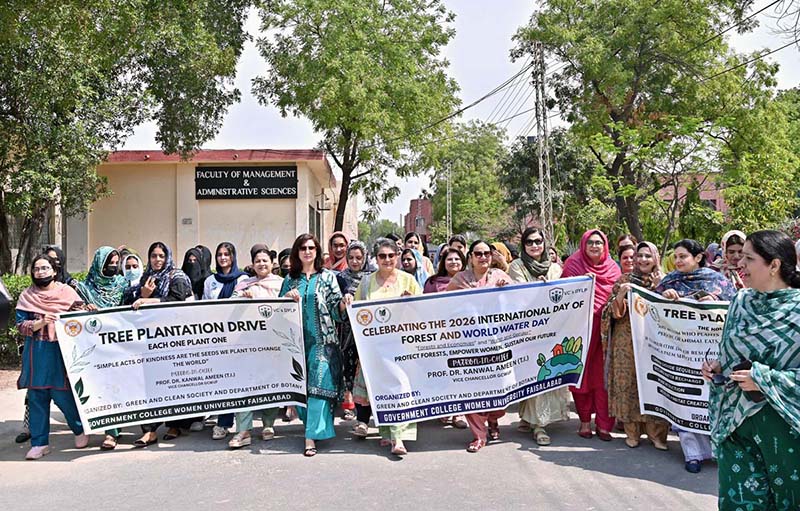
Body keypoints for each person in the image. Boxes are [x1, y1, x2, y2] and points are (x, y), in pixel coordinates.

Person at [703, 230, 800, 509]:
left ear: (774, 265)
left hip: (785, 429)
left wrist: (765, 379)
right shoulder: (740, 303)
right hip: (737, 425)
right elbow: (728, 355)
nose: (738, 264)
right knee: (741, 502)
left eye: (748, 258)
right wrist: (716, 368)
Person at [655, 238, 737, 473]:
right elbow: (652, 310)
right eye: (676, 257)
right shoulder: (669, 281)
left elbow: (734, 309)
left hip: (710, 353)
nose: (678, 261)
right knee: (682, 397)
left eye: (683, 256)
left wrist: (715, 301)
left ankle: (717, 451)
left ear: (698, 257)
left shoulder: (718, 281)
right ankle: (692, 454)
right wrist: (665, 298)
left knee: (708, 399)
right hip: (678, 351)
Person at [350, 238, 422, 455]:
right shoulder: (366, 283)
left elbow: (423, 311)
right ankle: (387, 433)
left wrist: (411, 304)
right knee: (381, 390)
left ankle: (399, 437)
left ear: (397, 257)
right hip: (375, 349)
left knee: (400, 388)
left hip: (402, 346)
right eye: (382, 256)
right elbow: (358, 314)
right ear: (376, 258)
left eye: (391, 255)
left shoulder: (408, 281)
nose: (387, 259)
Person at [16, 254, 91, 459]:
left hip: (61, 352)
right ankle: (40, 443)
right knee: (37, 396)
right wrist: (40, 323)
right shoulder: (27, 296)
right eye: (37, 269)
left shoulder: (67, 292)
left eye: (45, 268)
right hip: (36, 353)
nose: (40, 272)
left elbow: (81, 317)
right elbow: (20, 325)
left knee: (63, 395)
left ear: (54, 271)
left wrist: (84, 311)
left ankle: (79, 429)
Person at [281, 234, 348, 457]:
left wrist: (344, 303)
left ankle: (310, 436)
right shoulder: (289, 280)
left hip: (323, 343)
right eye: (303, 248)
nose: (307, 251)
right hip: (296, 343)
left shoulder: (328, 277)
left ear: (318, 251)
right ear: (297, 252)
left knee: (318, 388)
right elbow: (276, 312)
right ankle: (311, 426)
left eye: (311, 247)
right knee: (301, 389)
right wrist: (286, 298)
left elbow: (337, 312)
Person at [601, 241, 670, 450]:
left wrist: (662, 289)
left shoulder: (666, 281)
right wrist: (622, 294)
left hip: (655, 342)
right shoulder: (624, 280)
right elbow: (609, 312)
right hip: (627, 342)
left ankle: (657, 434)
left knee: (654, 383)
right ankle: (632, 433)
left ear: (656, 258)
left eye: (647, 256)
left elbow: (673, 313)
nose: (641, 260)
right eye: (639, 256)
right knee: (628, 383)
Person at [126, 242, 194, 446]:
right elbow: (131, 302)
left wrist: (149, 300)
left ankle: (175, 424)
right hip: (148, 339)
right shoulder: (146, 278)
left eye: (161, 256)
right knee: (149, 383)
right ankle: (149, 430)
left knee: (173, 381)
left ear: (168, 257)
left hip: (173, 338)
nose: (157, 260)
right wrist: (143, 295)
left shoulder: (177, 276)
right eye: (154, 256)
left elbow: (177, 300)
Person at [507, 227, 571, 446]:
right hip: (527, 331)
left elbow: (562, 295)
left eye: (538, 241)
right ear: (523, 246)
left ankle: (535, 421)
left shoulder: (555, 268)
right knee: (531, 374)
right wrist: (537, 289)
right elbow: (518, 294)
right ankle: (536, 423)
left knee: (547, 373)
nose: (535, 246)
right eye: (530, 242)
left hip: (552, 329)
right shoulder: (516, 266)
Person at [448, 240, 511, 452]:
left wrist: (506, 291)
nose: (483, 257)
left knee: (500, 389)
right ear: (471, 257)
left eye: (486, 253)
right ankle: (478, 434)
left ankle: (493, 418)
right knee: (473, 390)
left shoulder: (500, 278)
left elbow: (519, 303)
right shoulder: (460, 279)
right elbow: (444, 306)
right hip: (469, 344)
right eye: (478, 253)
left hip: (497, 344)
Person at [562, 230, 621, 441]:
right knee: (581, 377)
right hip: (580, 332)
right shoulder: (573, 265)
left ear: (605, 246)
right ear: (583, 245)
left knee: (603, 377)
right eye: (591, 243)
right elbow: (562, 295)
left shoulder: (613, 268)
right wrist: (581, 283)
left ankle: (604, 425)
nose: (595, 246)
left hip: (607, 333)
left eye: (599, 242)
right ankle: (585, 421)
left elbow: (618, 295)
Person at [227, 245, 286, 449]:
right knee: (244, 385)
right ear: (252, 264)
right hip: (247, 343)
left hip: (272, 343)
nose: (261, 264)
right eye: (257, 261)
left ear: (272, 264)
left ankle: (268, 424)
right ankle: (243, 430)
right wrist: (243, 296)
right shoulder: (243, 284)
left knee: (269, 382)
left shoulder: (281, 284)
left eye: (265, 260)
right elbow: (227, 308)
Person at [75, 246, 129, 450]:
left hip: (117, 344)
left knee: (116, 387)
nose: (113, 267)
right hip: (92, 346)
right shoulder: (84, 288)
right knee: (100, 387)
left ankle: (115, 430)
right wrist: (84, 310)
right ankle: (110, 430)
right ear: (99, 264)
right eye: (109, 263)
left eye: (116, 263)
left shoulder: (123, 284)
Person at [202, 242, 249, 439]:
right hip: (217, 338)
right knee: (222, 381)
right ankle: (223, 422)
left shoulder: (243, 279)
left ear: (233, 257)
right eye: (219, 254)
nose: (223, 258)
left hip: (238, 338)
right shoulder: (210, 281)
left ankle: (243, 425)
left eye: (226, 254)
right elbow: (204, 307)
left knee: (240, 380)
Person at [422, 246, 468, 429]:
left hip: (465, 336)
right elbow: (423, 307)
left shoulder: (471, 281)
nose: (454, 262)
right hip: (440, 336)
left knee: (460, 374)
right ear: (443, 263)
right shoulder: (433, 282)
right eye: (450, 259)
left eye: (457, 259)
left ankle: (458, 413)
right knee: (442, 374)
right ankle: (443, 408)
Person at [336, 240, 373, 422]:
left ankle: (369, 405)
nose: (355, 261)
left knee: (368, 368)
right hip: (348, 329)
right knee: (349, 367)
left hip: (369, 329)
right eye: (350, 257)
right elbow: (336, 302)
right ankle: (349, 402)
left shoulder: (372, 277)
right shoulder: (341, 278)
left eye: (359, 258)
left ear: (365, 257)